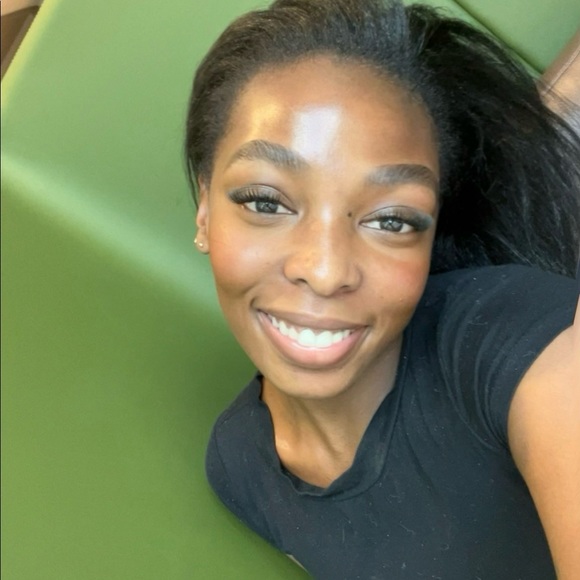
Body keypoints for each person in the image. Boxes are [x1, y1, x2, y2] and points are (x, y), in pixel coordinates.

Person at [184, 0, 580, 577]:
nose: (325, 271)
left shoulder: (516, 339)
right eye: (266, 202)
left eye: (391, 220)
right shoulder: (239, 466)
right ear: (204, 212)